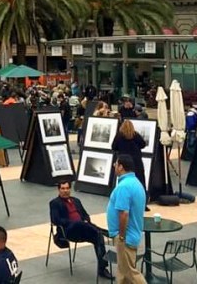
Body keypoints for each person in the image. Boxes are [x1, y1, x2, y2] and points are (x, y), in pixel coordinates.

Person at [49, 182, 114, 280]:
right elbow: (56, 220)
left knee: (98, 237)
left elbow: (85, 215)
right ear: (59, 190)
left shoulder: (76, 201)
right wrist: (73, 222)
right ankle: (102, 231)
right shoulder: (55, 203)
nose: (65, 191)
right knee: (79, 223)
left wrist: (86, 219)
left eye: (67, 188)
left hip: (83, 230)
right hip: (68, 231)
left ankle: (102, 269)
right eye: (63, 188)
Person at [106, 154, 146, 284]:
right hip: (132, 234)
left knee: (130, 273)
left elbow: (123, 213)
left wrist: (121, 236)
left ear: (121, 167)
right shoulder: (136, 183)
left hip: (125, 236)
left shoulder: (124, 187)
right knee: (123, 274)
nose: (114, 166)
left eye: (116, 164)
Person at [113, 120, 147, 191]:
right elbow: (143, 144)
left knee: (124, 178)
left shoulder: (119, 136)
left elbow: (113, 147)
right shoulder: (136, 135)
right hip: (136, 160)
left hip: (123, 160)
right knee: (139, 178)